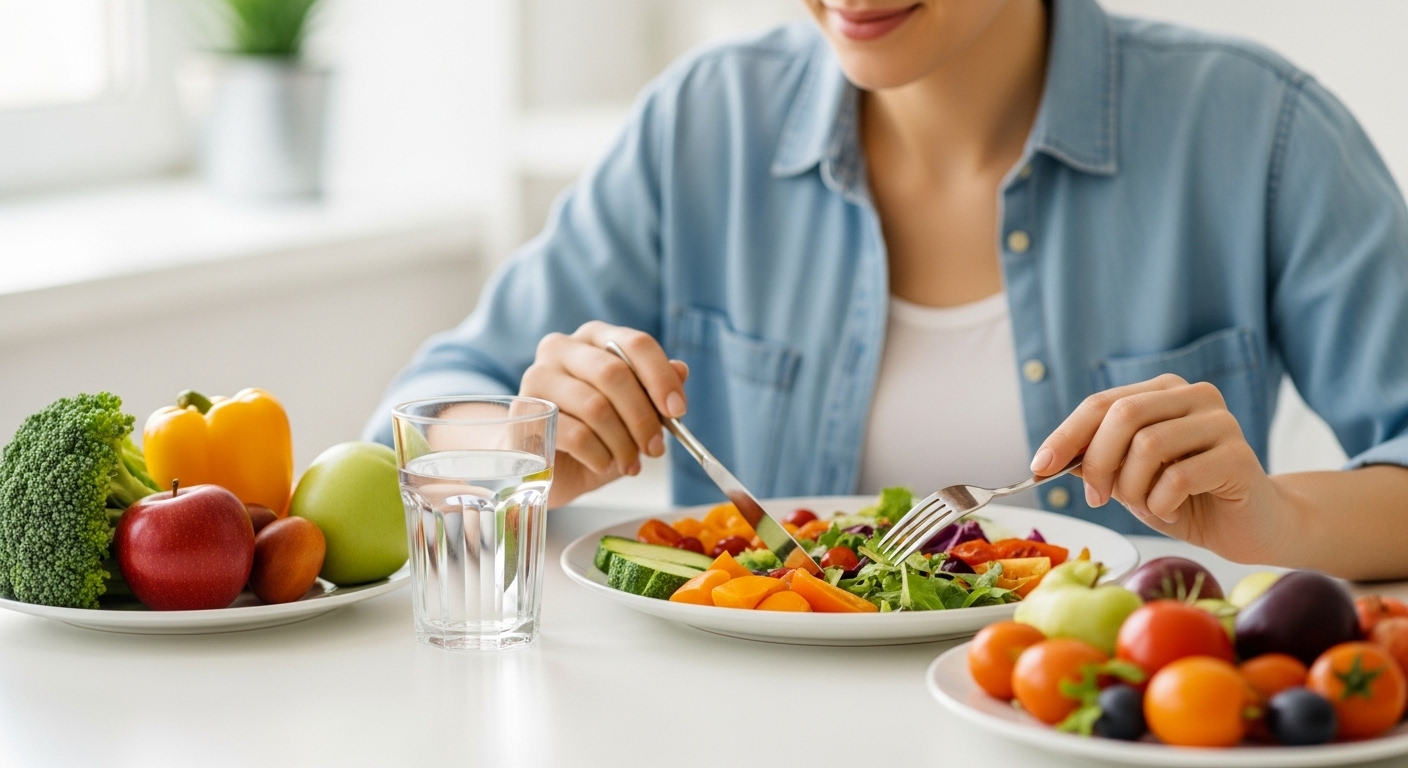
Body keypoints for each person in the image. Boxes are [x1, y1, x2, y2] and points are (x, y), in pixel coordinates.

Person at [365, 0, 1408, 581]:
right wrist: (534, 442)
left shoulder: (1257, 130)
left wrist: (1278, 524)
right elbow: (396, 444)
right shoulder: (703, 125)